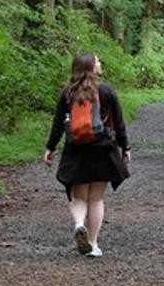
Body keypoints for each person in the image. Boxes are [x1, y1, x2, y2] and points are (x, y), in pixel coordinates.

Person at [44, 53, 131, 257]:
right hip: (103, 148)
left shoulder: (68, 92)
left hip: (76, 149)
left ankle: (78, 225)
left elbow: (58, 124)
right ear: (91, 68)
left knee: (79, 197)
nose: (100, 63)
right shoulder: (106, 91)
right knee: (97, 199)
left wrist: (50, 147)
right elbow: (118, 122)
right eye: (98, 61)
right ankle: (93, 243)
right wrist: (125, 147)